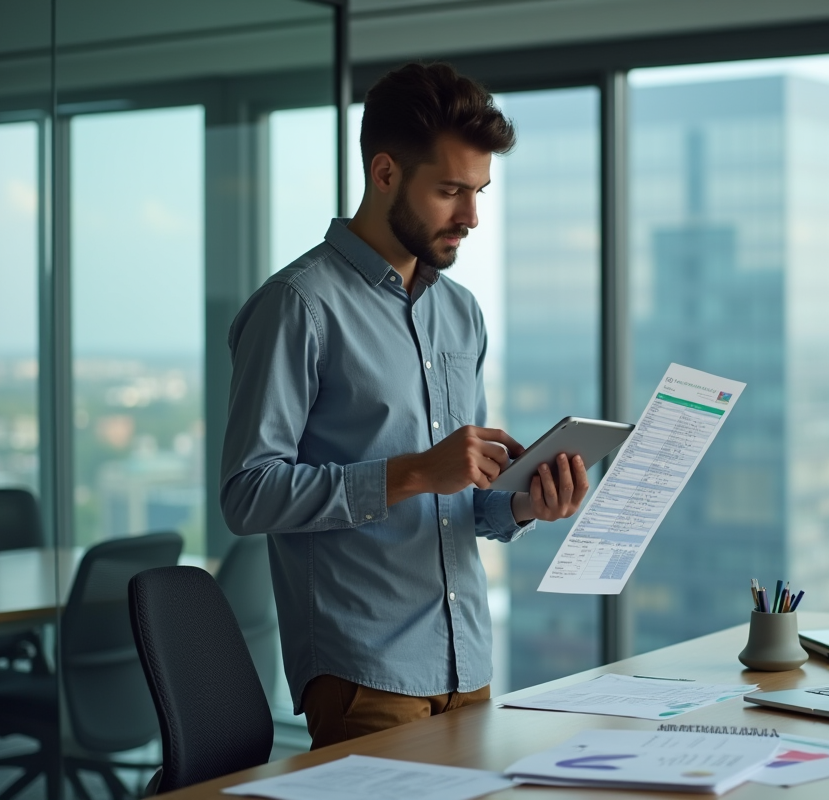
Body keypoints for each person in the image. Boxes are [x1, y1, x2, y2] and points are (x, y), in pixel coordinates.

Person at [219, 62, 589, 749]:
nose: (472, 217)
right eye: (450, 191)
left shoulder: (462, 313)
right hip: (365, 672)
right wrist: (414, 472)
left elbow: (460, 502)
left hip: (469, 662)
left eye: (478, 192)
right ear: (385, 173)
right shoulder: (297, 307)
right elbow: (247, 494)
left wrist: (523, 501)